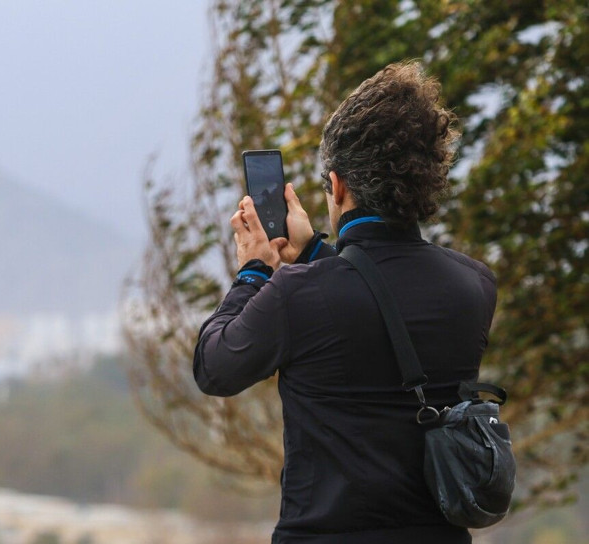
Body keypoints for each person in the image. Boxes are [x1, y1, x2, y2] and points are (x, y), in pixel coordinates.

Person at [193, 62, 496, 544]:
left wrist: (254, 270)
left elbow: (215, 366)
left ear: (336, 186)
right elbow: (380, 299)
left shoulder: (297, 294)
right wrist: (313, 251)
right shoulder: (474, 287)